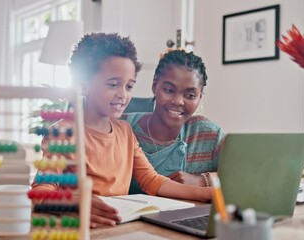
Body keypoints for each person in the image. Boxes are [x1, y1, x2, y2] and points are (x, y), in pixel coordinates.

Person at [31, 33, 211, 228]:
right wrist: (75, 204)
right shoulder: (63, 134)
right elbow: (41, 193)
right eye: (113, 84)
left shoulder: (124, 131)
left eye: (129, 86)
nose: (123, 95)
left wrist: (209, 194)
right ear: (83, 85)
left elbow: (152, 180)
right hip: (79, 228)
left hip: (117, 226)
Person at [123, 50, 225, 194]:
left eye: (190, 95)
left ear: (199, 97)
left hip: (190, 216)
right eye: (169, 90)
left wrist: (202, 180)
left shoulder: (209, 135)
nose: (177, 101)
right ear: (154, 86)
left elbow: (245, 175)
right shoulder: (121, 128)